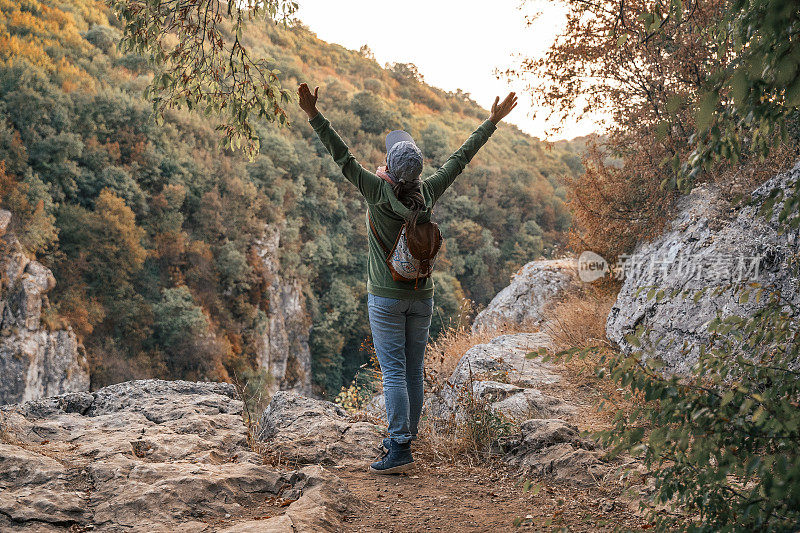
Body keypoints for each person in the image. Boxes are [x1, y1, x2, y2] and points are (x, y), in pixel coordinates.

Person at [298, 82, 517, 474]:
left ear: (389, 168)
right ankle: (406, 441)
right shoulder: (429, 193)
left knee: (395, 371)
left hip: (385, 296)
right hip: (423, 294)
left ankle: (399, 447)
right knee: (413, 370)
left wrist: (315, 116)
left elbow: (342, 157)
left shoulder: (376, 193)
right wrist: (491, 122)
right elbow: (460, 157)